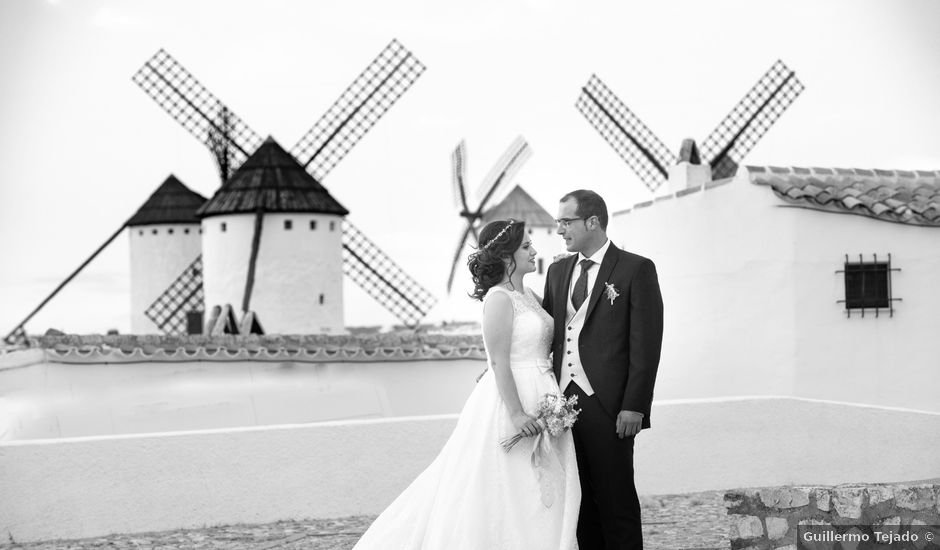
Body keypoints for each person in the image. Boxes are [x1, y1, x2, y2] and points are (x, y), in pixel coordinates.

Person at [352, 219, 580, 550]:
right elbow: (499, 360)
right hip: (513, 399)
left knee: (541, 484)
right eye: (526, 246)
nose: (534, 251)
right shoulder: (499, 299)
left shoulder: (529, 294)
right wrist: (516, 413)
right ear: (506, 256)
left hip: (544, 391)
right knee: (511, 483)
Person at [543, 190, 664, 550]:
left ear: (592, 221)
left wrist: (635, 405)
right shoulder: (557, 271)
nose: (560, 229)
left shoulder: (635, 269)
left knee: (616, 499)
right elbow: (550, 333)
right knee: (578, 503)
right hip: (562, 405)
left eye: (566, 221)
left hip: (610, 405)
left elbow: (646, 344)